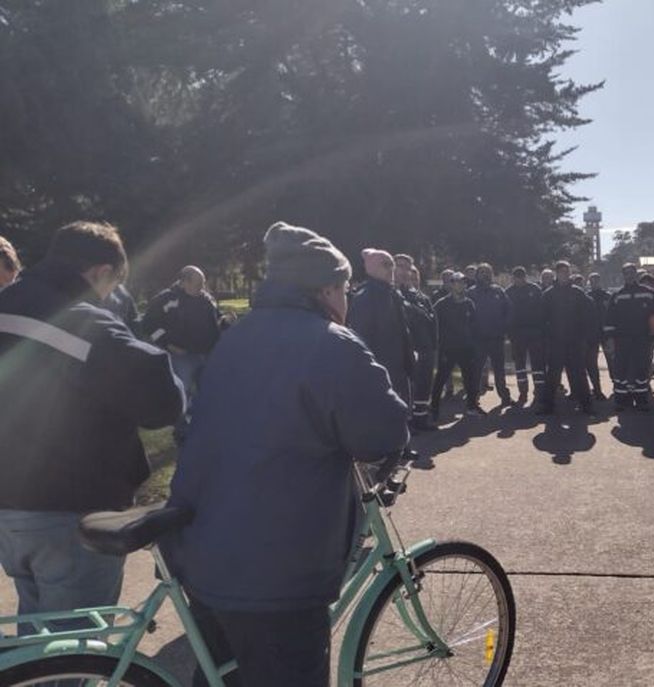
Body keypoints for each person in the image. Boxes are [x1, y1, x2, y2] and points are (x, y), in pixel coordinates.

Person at [165, 222, 409, 687]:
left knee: (224, 672)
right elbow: (382, 432)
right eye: (344, 289)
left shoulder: (237, 335)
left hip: (203, 545)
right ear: (328, 289)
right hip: (277, 567)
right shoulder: (332, 344)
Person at [0, 221, 183, 626]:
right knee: (75, 645)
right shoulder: (77, 322)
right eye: (112, 285)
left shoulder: (8, 303)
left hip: (11, 504)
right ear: (100, 272)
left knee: (38, 642)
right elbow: (161, 400)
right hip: (68, 506)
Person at [144, 265, 222, 444]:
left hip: (206, 353)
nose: (201, 288)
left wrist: (224, 321)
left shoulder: (207, 299)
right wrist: (168, 344)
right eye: (197, 284)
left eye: (203, 284)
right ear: (184, 282)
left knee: (207, 391)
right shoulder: (167, 299)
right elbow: (148, 325)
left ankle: (203, 427)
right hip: (182, 355)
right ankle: (181, 430)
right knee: (183, 391)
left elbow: (215, 320)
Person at [348, 248, 414, 407]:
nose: (391, 269)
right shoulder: (364, 298)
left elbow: (402, 332)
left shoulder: (393, 295)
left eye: (392, 264)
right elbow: (361, 342)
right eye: (386, 265)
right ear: (372, 268)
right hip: (378, 373)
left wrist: (409, 360)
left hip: (398, 370)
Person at [538, 261, 592, 415]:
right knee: (553, 375)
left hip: (575, 341)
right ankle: (548, 406)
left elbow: (587, 315)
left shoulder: (578, 293)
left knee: (579, 373)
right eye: (561, 272)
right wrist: (546, 338)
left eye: (567, 272)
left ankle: (586, 405)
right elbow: (542, 319)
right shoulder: (548, 294)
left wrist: (584, 336)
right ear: (557, 273)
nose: (564, 274)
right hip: (556, 342)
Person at [605, 263, 654, 412]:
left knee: (642, 370)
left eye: (631, 273)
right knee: (620, 370)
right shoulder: (617, 295)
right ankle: (622, 400)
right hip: (622, 340)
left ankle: (641, 400)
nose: (629, 275)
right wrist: (610, 339)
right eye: (626, 273)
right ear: (623, 275)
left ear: (636, 274)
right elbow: (609, 319)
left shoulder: (649, 293)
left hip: (642, 339)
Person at [431, 272, 483, 417]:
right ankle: (434, 408)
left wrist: (474, 344)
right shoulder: (441, 304)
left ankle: (472, 407)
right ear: (451, 284)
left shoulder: (469, 303)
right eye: (456, 282)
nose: (460, 285)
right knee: (441, 378)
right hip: (447, 349)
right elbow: (433, 324)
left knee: (469, 378)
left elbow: (474, 326)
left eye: (462, 282)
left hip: (466, 348)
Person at [396, 255, 438, 432]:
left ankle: (422, 419)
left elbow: (432, 321)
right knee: (408, 387)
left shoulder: (421, 297)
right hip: (407, 349)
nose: (410, 277)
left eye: (414, 275)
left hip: (425, 347)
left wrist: (434, 346)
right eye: (402, 268)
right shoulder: (393, 295)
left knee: (424, 385)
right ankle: (408, 423)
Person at [468, 262, 512, 406]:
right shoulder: (471, 293)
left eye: (488, 272)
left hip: (496, 338)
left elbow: (508, 311)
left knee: (499, 370)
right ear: (477, 275)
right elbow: (466, 315)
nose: (485, 275)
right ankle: (473, 399)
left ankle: (505, 397)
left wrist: (504, 328)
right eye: (482, 272)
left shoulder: (498, 291)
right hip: (478, 339)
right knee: (475, 371)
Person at [506, 266, 546, 405]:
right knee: (520, 365)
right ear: (513, 278)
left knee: (538, 365)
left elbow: (543, 310)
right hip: (517, 335)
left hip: (535, 333)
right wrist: (509, 332)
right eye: (516, 277)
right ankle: (523, 393)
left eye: (521, 276)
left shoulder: (534, 289)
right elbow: (506, 313)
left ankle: (540, 393)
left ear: (525, 277)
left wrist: (541, 330)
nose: (519, 279)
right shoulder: (509, 292)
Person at [587, 272, 613, 400]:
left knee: (612, 361)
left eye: (596, 280)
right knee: (591, 363)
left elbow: (613, 314)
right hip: (591, 335)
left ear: (600, 281)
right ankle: (597, 389)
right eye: (592, 281)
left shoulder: (607, 296)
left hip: (606, 334)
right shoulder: (586, 297)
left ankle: (617, 386)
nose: (594, 283)